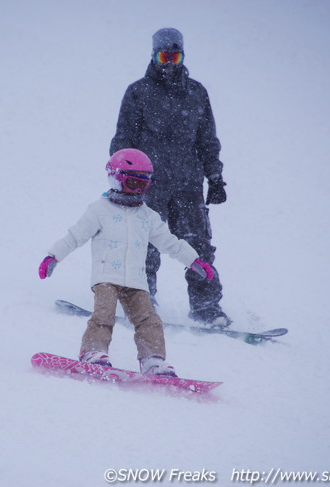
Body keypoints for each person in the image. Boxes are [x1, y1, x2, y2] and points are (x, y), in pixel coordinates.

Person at [38, 148, 215, 377]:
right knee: (103, 315)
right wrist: (53, 256)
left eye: (143, 185)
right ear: (116, 178)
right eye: (133, 183)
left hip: (136, 281)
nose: (137, 190)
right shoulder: (99, 210)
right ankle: (93, 352)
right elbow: (75, 236)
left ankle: (153, 360)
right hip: (106, 278)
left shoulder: (147, 216)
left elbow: (170, 242)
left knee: (149, 320)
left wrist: (193, 261)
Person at [109, 27, 230, 327]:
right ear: (153, 56)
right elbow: (124, 138)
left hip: (188, 184)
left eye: (175, 56)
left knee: (197, 246)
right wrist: (120, 177)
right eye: (164, 56)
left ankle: (207, 308)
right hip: (146, 185)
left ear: (182, 56)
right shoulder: (138, 92)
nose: (169, 63)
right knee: (144, 245)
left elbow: (207, 138)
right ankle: (141, 301)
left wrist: (215, 177)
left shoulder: (196, 93)